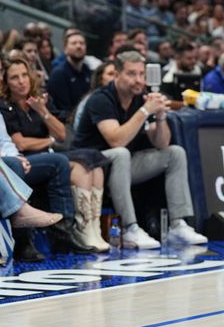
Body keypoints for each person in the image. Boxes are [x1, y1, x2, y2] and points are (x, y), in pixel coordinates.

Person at [0, 48, 92, 256]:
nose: (3, 76)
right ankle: (23, 236)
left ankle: (63, 234)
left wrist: (15, 155)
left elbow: (5, 140)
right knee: (3, 164)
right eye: (1, 71)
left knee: (56, 162)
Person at [71, 51, 207, 250]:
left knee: (175, 153)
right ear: (117, 74)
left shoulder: (140, 99)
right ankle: (130, 227)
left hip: (122, 166)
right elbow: (116, 140)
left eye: (141, 74)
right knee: (121, 153)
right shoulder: (100, 99)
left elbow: (161, 143)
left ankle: (178, 224)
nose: (138, 80)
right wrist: (144, 111)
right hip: (91, 166)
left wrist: (160, 117)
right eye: (131, 74)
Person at [0, 57, 111, 251]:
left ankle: (89, 228)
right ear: (6, 82)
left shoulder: (38, 101)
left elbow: (62, 134)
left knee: (91, 163)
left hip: (49, 155)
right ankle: (72, 231)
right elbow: (21, 143)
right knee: (65, 161)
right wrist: (49, 141)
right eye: (15, 77)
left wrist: (42, 111)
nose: (22, 81)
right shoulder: (4, 106)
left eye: (24, 75)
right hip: (23, 159)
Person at [47, 31, 93, 121]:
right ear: (65, 49)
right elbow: (62, 110)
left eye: (82, 43)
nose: (79, 46)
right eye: (74, 43)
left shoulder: (87, 71)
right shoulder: (59, 74)